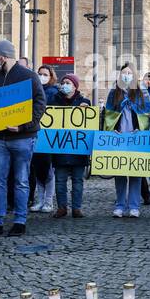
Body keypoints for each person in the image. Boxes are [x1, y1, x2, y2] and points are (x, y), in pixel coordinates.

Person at [0, 40, 47, 237]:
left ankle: (19, 221)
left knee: (21, 181)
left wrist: (23, 126)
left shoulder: (29, 76)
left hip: (23, 137)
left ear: (2, 56)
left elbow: (40, 104)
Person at [104, 62, 150, 217]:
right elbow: (108, 114)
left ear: (134, 75)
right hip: (119, 136)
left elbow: (146, 113)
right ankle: (119, 205)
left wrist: (142, 126)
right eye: (124, 72)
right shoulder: (114, 92)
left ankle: (134, 206)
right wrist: (113, 129)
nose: (126, 75)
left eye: (129, 72)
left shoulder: (141, 92)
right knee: (120, 173)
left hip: (135, 135)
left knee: (135, 173)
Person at [51, 73, 90, 217]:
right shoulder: (54, 101)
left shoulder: (84, 102)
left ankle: (76, 208)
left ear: (75, 86)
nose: (65, 85)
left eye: (68, 83)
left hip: (78, 149)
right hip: (60, 148)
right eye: (63, 82)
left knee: (77, 180)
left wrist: (87, 107)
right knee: (60, 180)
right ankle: (61, 208)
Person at [29, 63, 60, 213]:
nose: (42, 77)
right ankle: (40, 200)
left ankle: (48, 201)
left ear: (51, 76)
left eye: (45, 74)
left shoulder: (54, 93)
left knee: (48, 170)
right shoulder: (33, 91)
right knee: (37, 169)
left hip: (49, 137)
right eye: (40, 73)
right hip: (35, 134)